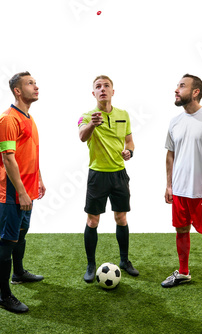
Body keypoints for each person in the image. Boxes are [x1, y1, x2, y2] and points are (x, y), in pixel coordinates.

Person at [162, 74, 202, 299]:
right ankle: (183, 272)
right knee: (181, 230)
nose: (176, 90)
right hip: (179, 191)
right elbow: (170, 156)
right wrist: (169, 185)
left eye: (182, 86)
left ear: (195, 91)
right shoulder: (175, 122)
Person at [77, 75, 139, 282]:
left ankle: (124, 260)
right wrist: (93, 125)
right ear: (93, 93)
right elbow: (82, 136)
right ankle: (90, 264)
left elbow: (129, 141)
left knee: (121, 218)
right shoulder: (87, 117)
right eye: (98, 87)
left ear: (113, 91)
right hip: (98, 175)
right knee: (93, 221)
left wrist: (129, 152)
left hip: (119, 174)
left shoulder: (124, 115)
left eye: (106, 86)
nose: (102, 89)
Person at [0, 71, 45, 313]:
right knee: (8, 240)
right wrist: (22, 192)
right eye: (30, 83)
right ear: (17, 90)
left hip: (28, 189)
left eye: (35, 82)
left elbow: (31, 153)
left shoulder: (29, 118)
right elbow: (8, 158)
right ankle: (4, 296)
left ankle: (19, 273)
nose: (36, 87)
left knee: (21, 234)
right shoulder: (8, 119)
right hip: (14, 192)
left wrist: (39, 180)